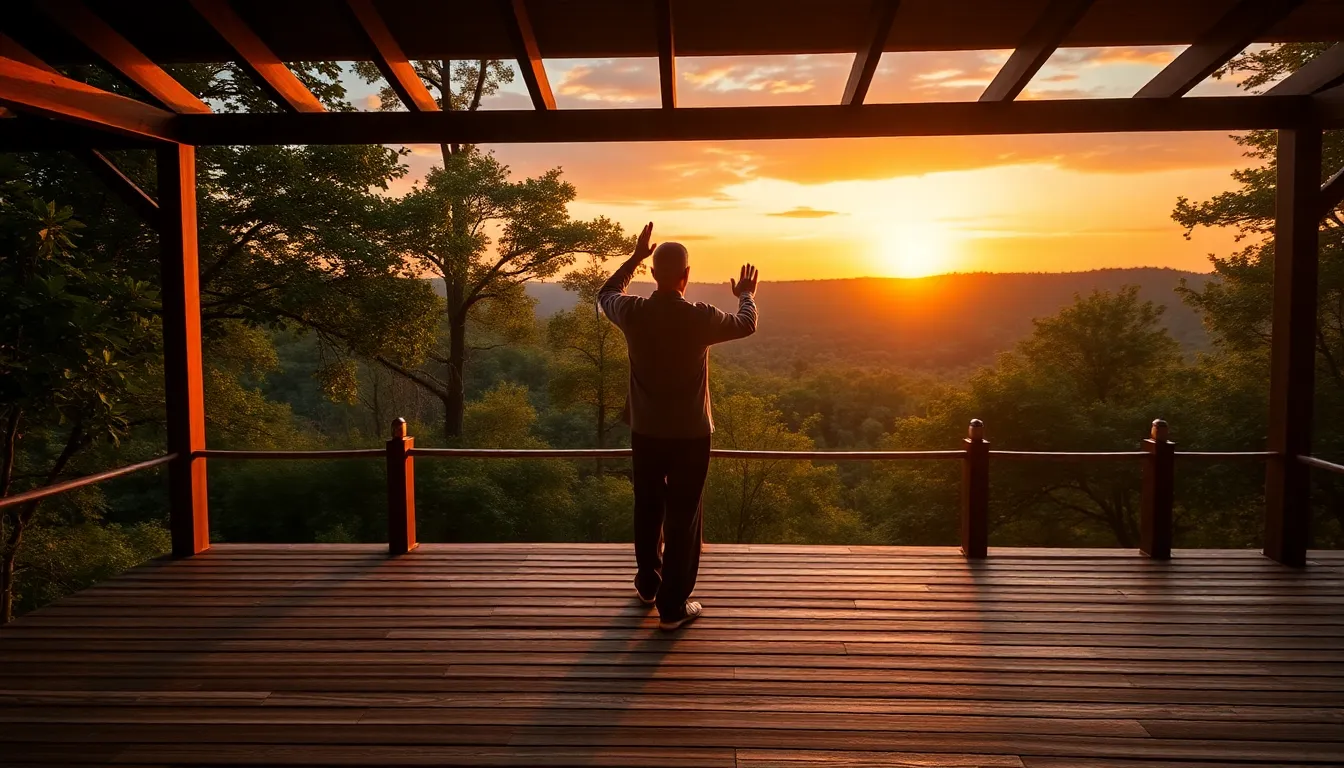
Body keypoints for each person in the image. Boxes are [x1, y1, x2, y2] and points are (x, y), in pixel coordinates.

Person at [598, 222, 759, 630]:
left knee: (648, 506)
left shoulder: (633, 312)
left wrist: (635, 256)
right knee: (684, 515)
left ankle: (649, 585)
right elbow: (746, 323)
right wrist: (746, 295)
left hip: (646, 431)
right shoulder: (699, 317)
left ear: (654, 274)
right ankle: (673, 606)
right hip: (690, 435)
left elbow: (606, 293)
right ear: (686, 276)